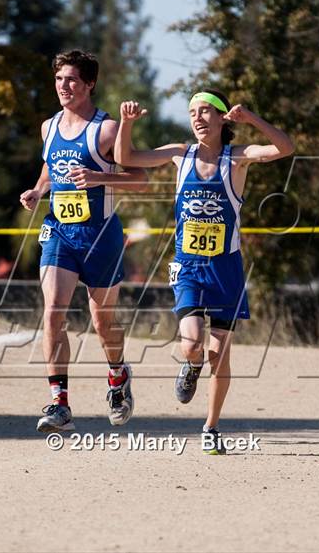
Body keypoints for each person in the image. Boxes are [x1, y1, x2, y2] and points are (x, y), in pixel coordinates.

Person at [114, 90, 294, 454]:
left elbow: (285, 148)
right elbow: (125, 157)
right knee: (192, 344)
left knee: (220, 355)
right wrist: (127, 124)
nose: (197, 118)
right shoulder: (181, 154)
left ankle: (211, 427)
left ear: (222, 118)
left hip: (225, 267)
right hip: (189, 266)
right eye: (192, 112)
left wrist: (253, 119)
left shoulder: (237, 159)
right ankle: (190, 365)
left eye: (206, 112)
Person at [20, 50, 147, 433]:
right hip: (60, 231)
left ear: (89, 84)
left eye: (72, 79)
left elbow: (140, 181)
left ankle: (117, 374)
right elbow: (49, 165)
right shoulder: (49, 126)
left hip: (100, 236)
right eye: (59, 79)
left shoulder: (105, 130)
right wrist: (39, 190)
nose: (64, 86)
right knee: (53, 311)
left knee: (101, 321)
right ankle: (60, 404)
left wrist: (98, 178)